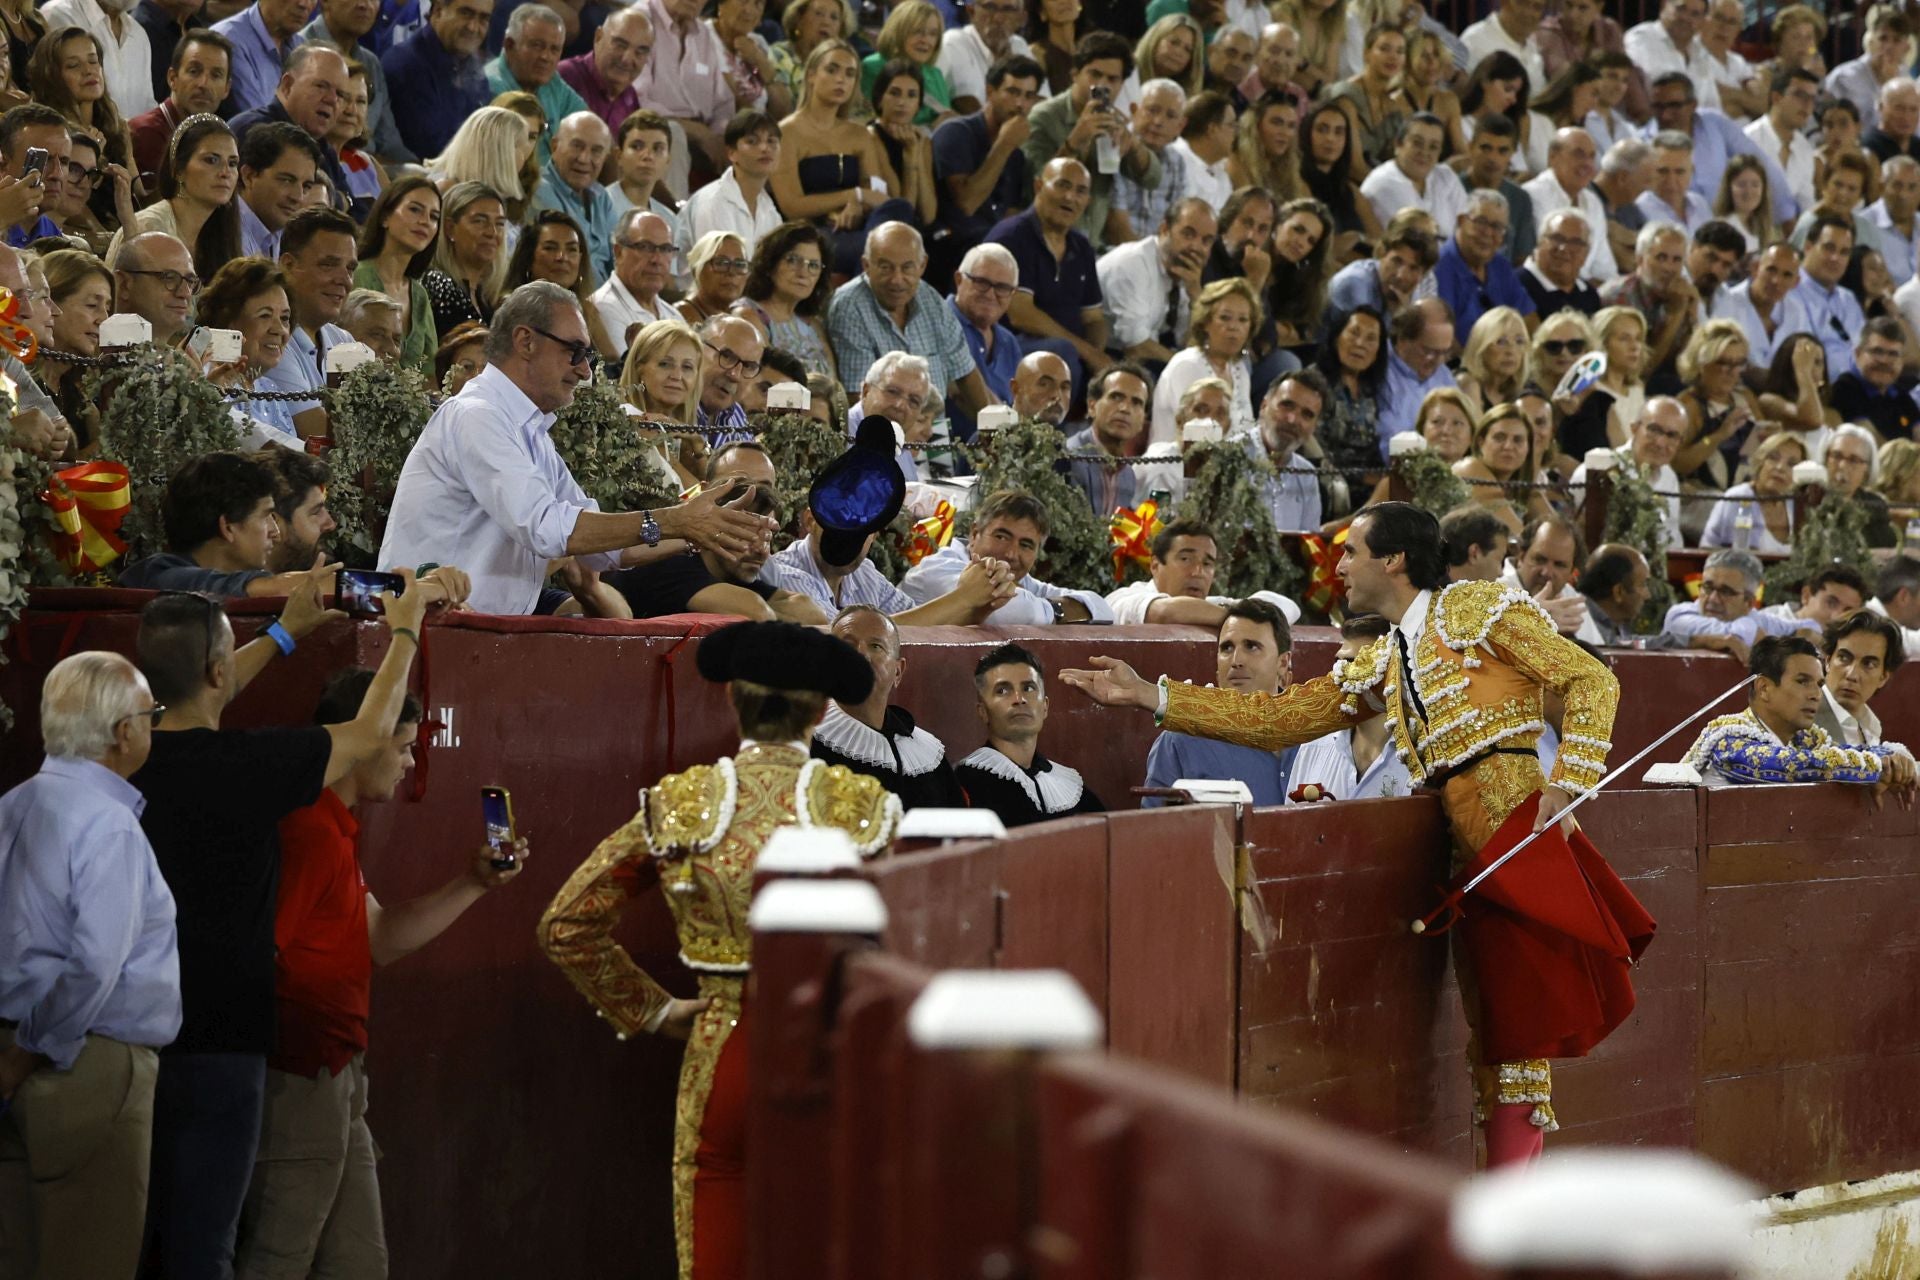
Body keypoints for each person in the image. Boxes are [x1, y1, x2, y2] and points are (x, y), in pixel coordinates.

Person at [1061, 500, 1645, 1167]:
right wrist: (1153, 697)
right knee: (1499, 1042)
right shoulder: (1392, 657)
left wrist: (1568, 780)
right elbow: (1281, 720)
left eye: (1350, 552)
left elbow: (1589, 676)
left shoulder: (1478, 611)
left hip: (1512, 831)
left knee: (1517, 1044)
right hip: (1471, 841)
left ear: (1393, 560)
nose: (1336, 566)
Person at [540, 619, 899, 1280]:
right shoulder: (863, 808)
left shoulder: (685, 804)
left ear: (733, 696)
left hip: (720, 1052)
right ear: (822, 709)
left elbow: (567, 925)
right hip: (828, 1054)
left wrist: (652, 1011)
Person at [128, 569, 432, 1277]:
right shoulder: (247, 766)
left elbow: (200, 688)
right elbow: (367, 735)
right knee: (208, 1246)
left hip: (133, 1034)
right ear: (213, 668)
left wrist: (286, 633)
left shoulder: (130, 752)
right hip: (223, 1041)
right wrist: (408, 628)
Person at [232, 663, 524, 1277]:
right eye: (401, 748)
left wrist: (474, 883)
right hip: (301, 1076)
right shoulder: (306, 828)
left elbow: (378, 939)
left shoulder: (332, 827)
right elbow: (258, 958)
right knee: (276, 1260)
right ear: (360, 740)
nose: (411, 763)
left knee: (358, 1263)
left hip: (339, 1074)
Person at [381, 281, 773, 614]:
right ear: (525, 341)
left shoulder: (529, 430)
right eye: (576, 352)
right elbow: (549, 530)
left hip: (471, 634)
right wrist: (676, 520)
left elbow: (603, 552)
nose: (585, 370)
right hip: (425, 629)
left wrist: (700, 531)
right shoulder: (477, 415)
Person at [0, 651, 177, 1280]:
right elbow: (94, 966)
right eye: (150, 714)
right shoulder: (110, 827)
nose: (153, 726)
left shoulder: (12, 805)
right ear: (122, 732)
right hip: (82, 1063)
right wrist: (27, 1051)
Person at [1683, 634, 1916, 790]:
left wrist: (1895, 758)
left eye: (1819, 684)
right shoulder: (1728, 740)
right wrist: (1878, 769)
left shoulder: (1804, 739)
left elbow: (1847, 752)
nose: (1816, 694)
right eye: (1803, 681)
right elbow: (1792, 766)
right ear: (1764, 688)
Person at [1142, 597, 1301, 806]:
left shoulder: (1319, 738)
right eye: (1226, 648)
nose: (1236, 661)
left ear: (1283, 663)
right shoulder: (1181, 741)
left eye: (1251, 647)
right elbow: (1154, 830)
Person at [826, 220, 992, 413]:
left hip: (934, 429)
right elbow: (859, 397)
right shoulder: (849, 306)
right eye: (885, 267)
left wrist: (992, 428)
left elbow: (965, 371)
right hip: (883, 433)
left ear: (922, 266)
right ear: (866, 265)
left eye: (907, 268)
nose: (897, 280)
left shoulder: (930, 298)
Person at [811, 603, 967, 808]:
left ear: (898, 671)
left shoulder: (928, 755)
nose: (861, 655)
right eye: (847, 644)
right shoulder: (804, 738)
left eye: (876, 646)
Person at [1020, 31, 1161, 251]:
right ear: (1075, 74)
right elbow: (1033, 183)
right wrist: (1076, 139)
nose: (1103, 85)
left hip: (1089, 246)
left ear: (1122, 84)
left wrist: (1132, 146)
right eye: (1095, 75)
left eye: (1113, 79)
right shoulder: (1044, 116)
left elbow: (1152, 178)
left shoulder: (1113, 121)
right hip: (1041, 240)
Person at [900, 487, 1112, 623]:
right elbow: (1006, 612)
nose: (1011, 553)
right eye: (1001, 536)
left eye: (1026, 545)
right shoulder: (938, 569)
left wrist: (1048, 608)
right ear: (975, 534)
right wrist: (1062, 611)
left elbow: (1102, 608)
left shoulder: (1023, 582)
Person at [955, 641, 1105, 827]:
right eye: (1003, 690)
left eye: (1028, 688)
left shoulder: (1071, 787)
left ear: (1045, 707)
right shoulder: (966, 782)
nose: (1019, 699)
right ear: (983, 711)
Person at [1285, 612, 1414, 800]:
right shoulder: (1314, 747)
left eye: (1354, 664)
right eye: (1338, 663)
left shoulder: (1422, 757)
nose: (1340, 675)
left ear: (1392, 672)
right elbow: (1291, 826)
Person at [931, 52, 1041, 265]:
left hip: (992, 247)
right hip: (949, 244)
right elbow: (967, 203)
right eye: (1012, 92)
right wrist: (1004, 145)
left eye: (1029, 96)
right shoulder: (956, 132)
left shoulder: (1015, 154)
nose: (1020, 104)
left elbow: (1010, 214)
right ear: (990, 92)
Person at [1102, 517, 1299, 627]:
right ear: (1155, 566)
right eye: (1185, 559)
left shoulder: (1213, 606)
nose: (1198, 572)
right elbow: (1165, 612)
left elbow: (1287, 606)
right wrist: (1246, 619)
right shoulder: (1123, 598)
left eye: (1207, 563)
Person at [1098, 194, 1215, 370]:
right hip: (1105, 355)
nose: (1196, 247)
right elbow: (1136, 347)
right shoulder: (1133, 264)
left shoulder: (1187, 273)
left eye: (1206, 241)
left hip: (1144, 355)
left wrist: (1196, 299)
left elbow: (1187, 343)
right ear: (1164, 229)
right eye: (1188, 234)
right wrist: (1189, 367)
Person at [1151, 275, 1258, 445]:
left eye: (1243, 320)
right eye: (1225, 318)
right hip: (1177, 465)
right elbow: (1193, 435)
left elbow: (1247, 431)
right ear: (1205, 322)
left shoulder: (1239, 369)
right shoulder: (1187, 365)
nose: (1234, 327)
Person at [1663, 548, 1816, 665]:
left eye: (1725, 591)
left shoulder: (1755, 617)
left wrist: (1804, 633)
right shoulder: (1679, 615)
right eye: (1708, 587)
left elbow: (1812, 627)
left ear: (1749, 602)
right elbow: (1743, 633)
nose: (1713, 598)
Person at [381, 0, 494, 159]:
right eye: (465, 13)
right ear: (438, 11)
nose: (473, 27)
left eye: (483, 19)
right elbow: (433, 152)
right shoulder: (407, 65)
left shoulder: (473, 68)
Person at [1569, 396, 1685, 549]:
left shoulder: (1669, 477)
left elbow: (1671, 540)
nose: (1661, 443)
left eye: (1672, 435)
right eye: (1654, 430)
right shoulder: (1600, 468)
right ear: (1634, 428)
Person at [733, 217, 834, 379]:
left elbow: (835, 389)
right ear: (769, 264)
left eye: (813, 265)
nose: (803, 273)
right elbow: (759, 384)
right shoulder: (748, 317)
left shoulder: (814, 325)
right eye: (793, 260)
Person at [1434, 189, 1536, 347]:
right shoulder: (1439, 267)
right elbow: (1442, 338)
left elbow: (1528, 317)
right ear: (1461, 221)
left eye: (1497, 227)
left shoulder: (1500, 265)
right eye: (1481, 222)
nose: (1488, 233)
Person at [486, 3, 589, 157]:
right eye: (537, 46)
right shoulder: (492, 86)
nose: (546, 57)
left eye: (554, 49)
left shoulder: (551, 79)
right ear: (510, 45)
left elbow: (586, 124)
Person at [129, 30, 233, 179]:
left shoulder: (222, 141)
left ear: (226, 89)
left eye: (216, 75)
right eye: (194, 71)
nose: (204, 84)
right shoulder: (144, 134)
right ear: (173, 78)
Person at [681, 109, 783, 260]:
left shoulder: (769, 209)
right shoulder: (712, 202)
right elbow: (717, 271)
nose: (764, 148)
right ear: (731, 153)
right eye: (752, 141)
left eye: (771, 141)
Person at [1241, 369, 1326, 531]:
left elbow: (1307, 547)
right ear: (1263, 406)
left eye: (1307, 415)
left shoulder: (1307, 474)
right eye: (1287, 405)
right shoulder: (1227, 458)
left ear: (1314, 427)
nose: (1293, 420)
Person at [1062, 360, 1149, 516]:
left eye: (1136, 403)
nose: (1125, 409)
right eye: (1116, 397)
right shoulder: (1067, 458)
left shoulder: (1128, 475)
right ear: (1092, 406)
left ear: (1143, 421)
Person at [1699, 430, 1805, 555]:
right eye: (1773, 458)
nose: (1780, 467)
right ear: (1760, 462)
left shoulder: (1797, 506)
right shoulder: (1738, 498)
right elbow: (1738, 560)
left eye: (1791, 464)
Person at [1360, 112, 1465, 238]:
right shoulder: (1382, 183)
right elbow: (1417, 240)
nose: (1424, 152)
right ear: (1398, 144)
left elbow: (1466, 227)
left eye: (1433, 147)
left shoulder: (1446, 176)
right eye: (1417, 143)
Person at [1816, 609, 1905, 747]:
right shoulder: (1800, 717)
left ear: (1883, 677)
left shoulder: (1871, 725)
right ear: (1828, 661)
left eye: (1868, 664)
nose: (1852, 675)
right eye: (1844, 658)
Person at [557, 5, 650, 133]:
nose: (627, 59)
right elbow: (543, 128)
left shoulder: (630, 96)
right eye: (620, 45)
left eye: (639, 52)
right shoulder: (565, 77)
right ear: (598, 37)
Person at [1377, 297, 1458, 442]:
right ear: (1402, 340)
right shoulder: (1378, 369)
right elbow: (1390, 443)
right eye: (1429, 351)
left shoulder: (1443, 374)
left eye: (1445, 352)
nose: (1438, 362)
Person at [1831, 317, 1920, 442]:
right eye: (1877, 351)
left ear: (1902, 361)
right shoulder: (1845, 388)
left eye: (1893, 354)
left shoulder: (1900, 394)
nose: (1884, 361)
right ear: (1858, 354)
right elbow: (1870, 444)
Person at [1327, 220, 1433, 317]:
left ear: (1423, 274)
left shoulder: (1410, 291)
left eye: (1413, 268)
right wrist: (1400, 318)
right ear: (1382, 253)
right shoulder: (1355, 283)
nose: (1401, 275)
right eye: (1396, 261)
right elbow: (1364, 336)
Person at [110, 230, 197, 348]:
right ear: (123, 284)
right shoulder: (93, 361)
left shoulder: (184, 363)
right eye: (169, 278)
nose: (185, 293)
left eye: (190, 281)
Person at [1575, 544, 1668, 648]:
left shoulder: (1615, 622)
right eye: (1642, 585)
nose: (1648, 595)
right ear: (1618, 592)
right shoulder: (1577, 623)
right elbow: (1613, 648)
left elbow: (1628, 643)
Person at [1010, 349, 1071, 425]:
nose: (1057, 396)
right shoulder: (994, 429)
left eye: (1064, 387)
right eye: (1044, 384)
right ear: (1016, 388)